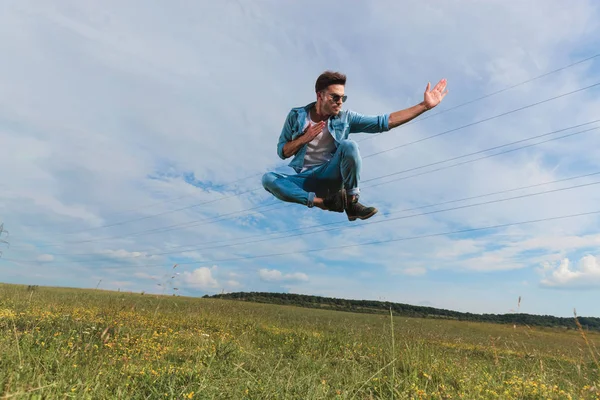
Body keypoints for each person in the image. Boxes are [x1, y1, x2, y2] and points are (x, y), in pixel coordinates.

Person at [262, 71, 448, 221]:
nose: (340, 103)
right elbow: (282, 151)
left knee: (349, 145)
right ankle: (324, 203)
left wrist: (424, 106)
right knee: (268, 179)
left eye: (343, 98)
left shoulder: (346, 118)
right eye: (335, 97)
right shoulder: (296, 116)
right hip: (306, 180)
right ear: (320, 95)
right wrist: (304, 138)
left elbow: (383, 122)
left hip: (331, 176)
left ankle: (351, 202)